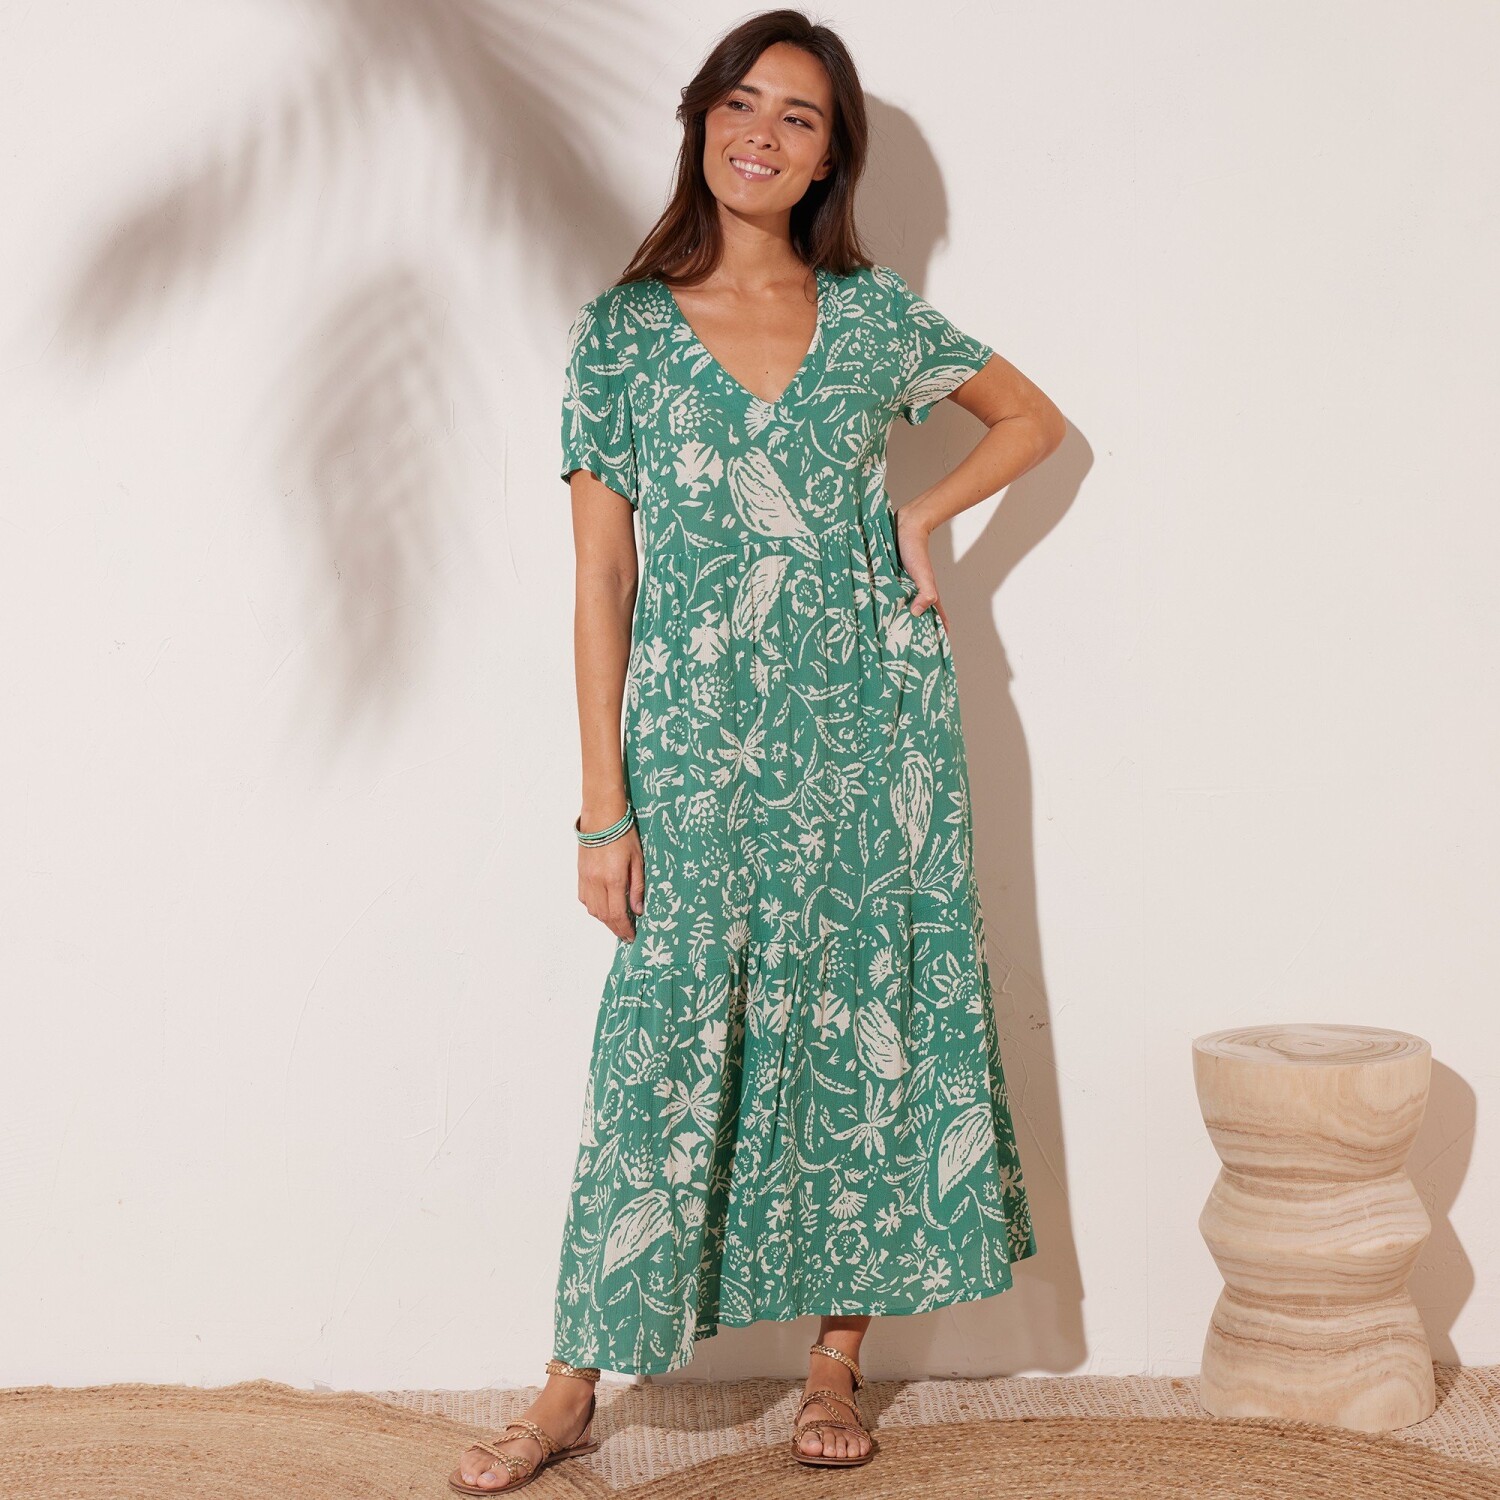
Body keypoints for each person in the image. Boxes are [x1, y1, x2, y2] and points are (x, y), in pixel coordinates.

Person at [450, 7, 1065, 1492]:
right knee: (658, 1044)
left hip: (874, 735)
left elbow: (1033, 422)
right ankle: (571, 1385)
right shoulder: (623, 332)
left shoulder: (874, 319)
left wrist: (923, 514)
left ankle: (834, 1361)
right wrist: (603, 807)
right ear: (700, 123)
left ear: (829, 156)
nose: (763, 134)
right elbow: (602, 578)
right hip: (695, 751)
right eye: (741, 103)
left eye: (799, 116)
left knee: (866, 1020)